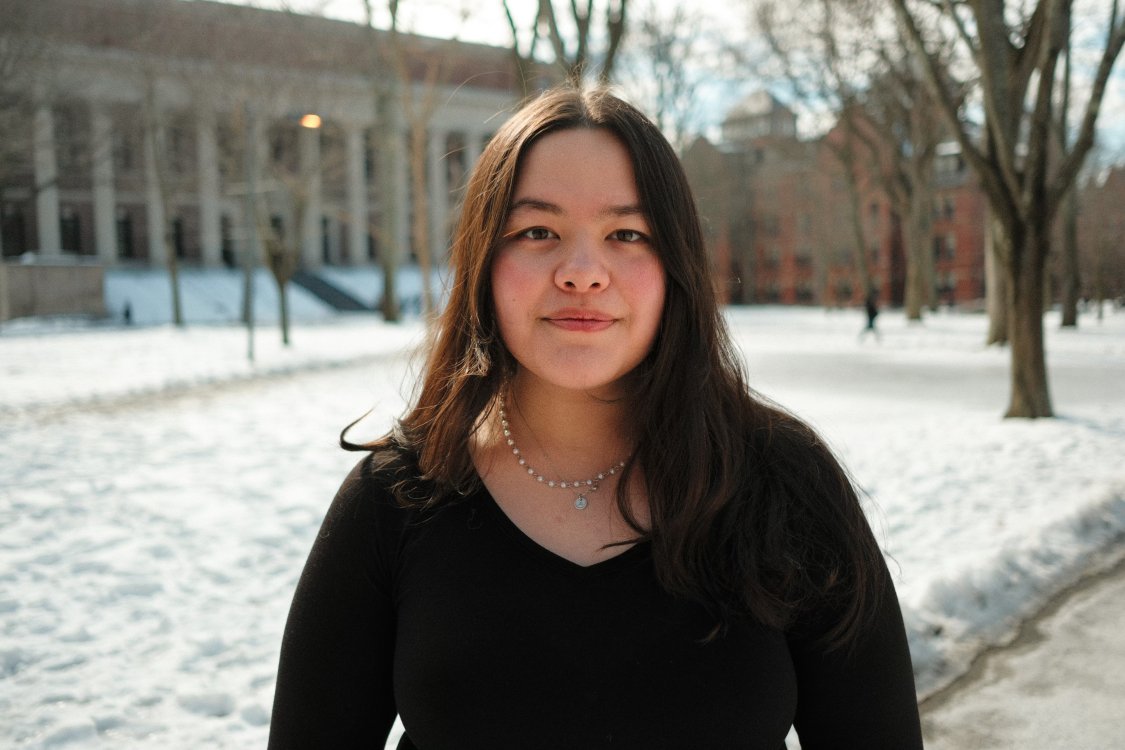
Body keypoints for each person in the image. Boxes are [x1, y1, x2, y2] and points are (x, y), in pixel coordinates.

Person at [268, 86, 923, 749]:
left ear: (675, 265)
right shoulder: (395, 500)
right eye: (537, 232)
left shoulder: (786, 483)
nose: (582, 273)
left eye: (626, 234)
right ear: (483, 261)